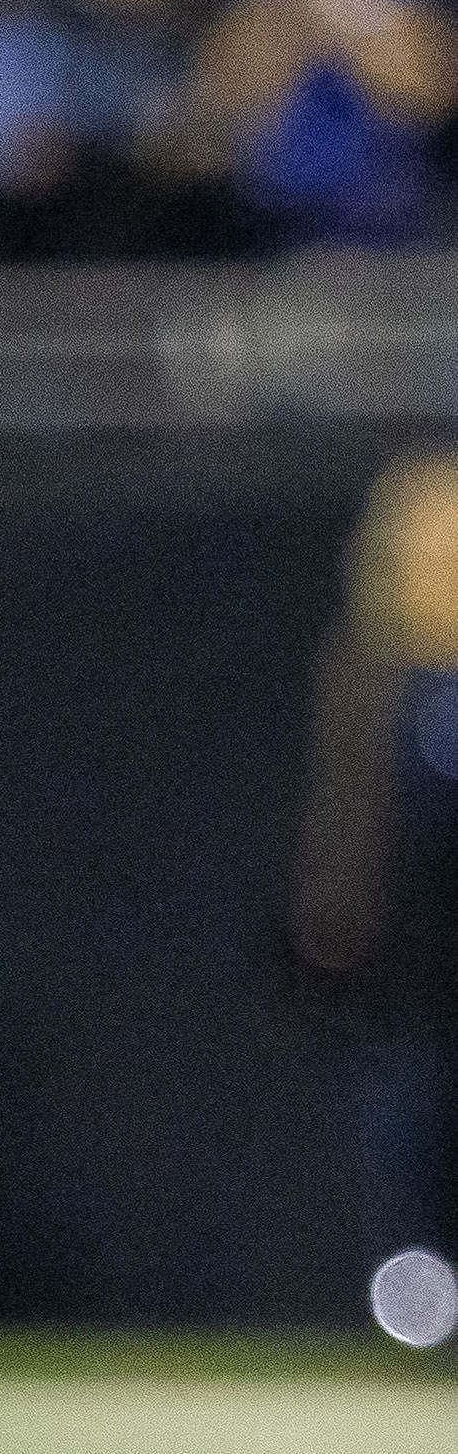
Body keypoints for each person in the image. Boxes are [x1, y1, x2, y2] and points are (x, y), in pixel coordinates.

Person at [294, 449, 458, 1345]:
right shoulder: (372, 666)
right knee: (414, 1078)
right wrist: (334, 887)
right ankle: (417, 1286)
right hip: (415, 944)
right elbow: (349, 782)